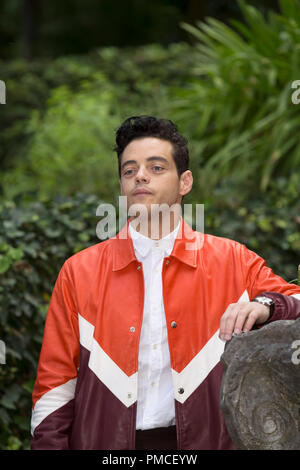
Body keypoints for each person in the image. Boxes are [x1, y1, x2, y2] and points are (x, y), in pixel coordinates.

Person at [30, 115, 300, 450]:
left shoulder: (233, 260)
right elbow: (55, 386)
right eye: (129, 170)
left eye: (156, 167)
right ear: (122, 186)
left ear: (185, 182)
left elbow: (295, 300)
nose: (139, 175)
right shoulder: (78, 272)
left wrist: (266, 306)